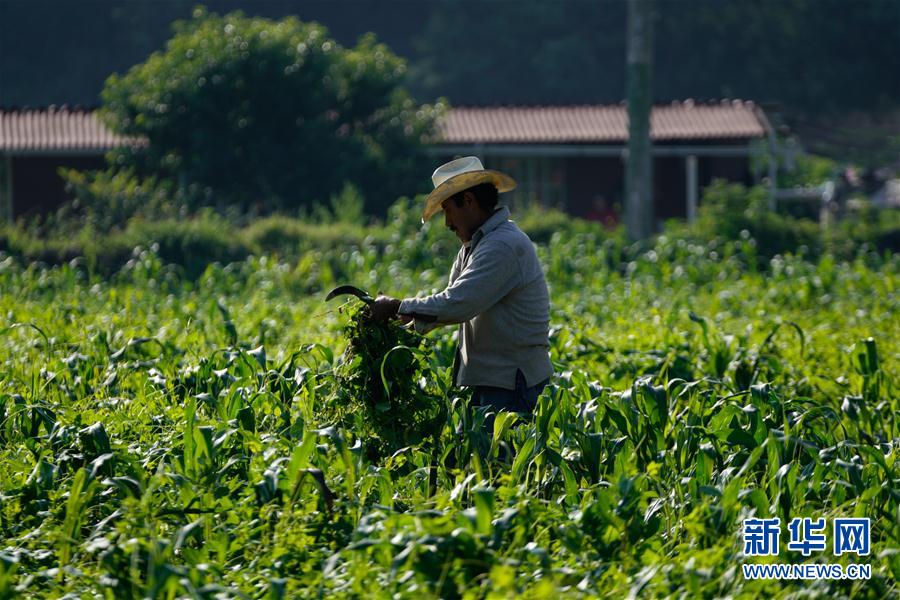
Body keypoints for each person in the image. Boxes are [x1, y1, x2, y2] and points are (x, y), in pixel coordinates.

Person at [370, 156, 553, 430]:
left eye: (447, 210)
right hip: (492, 381)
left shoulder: (502, 246)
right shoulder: (475, 246)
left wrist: (397, 306)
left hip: (512, 384)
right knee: (483, 467)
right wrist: (397, 324)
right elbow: (448, 303)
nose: (447, 222)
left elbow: (458, 304)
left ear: (468, 201)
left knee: (500, 467)